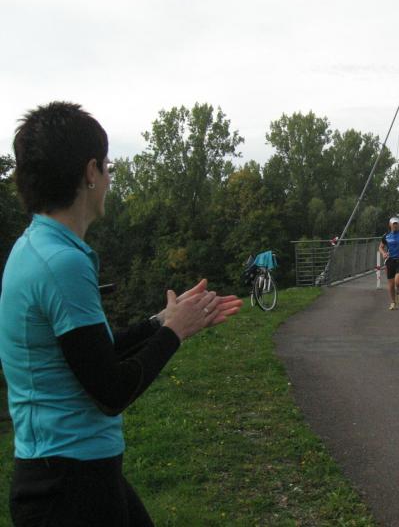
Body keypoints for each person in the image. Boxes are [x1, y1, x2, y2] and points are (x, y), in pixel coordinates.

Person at [0, 102, 243, 526]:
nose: (109, 178)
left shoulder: (36, 247)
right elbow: (111, 390)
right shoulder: (61, 264)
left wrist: (161, 321)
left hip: (68, 474)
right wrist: (175, 333)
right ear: (90, 172)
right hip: (68, 489)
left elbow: (94, 354)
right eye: (107, 166)